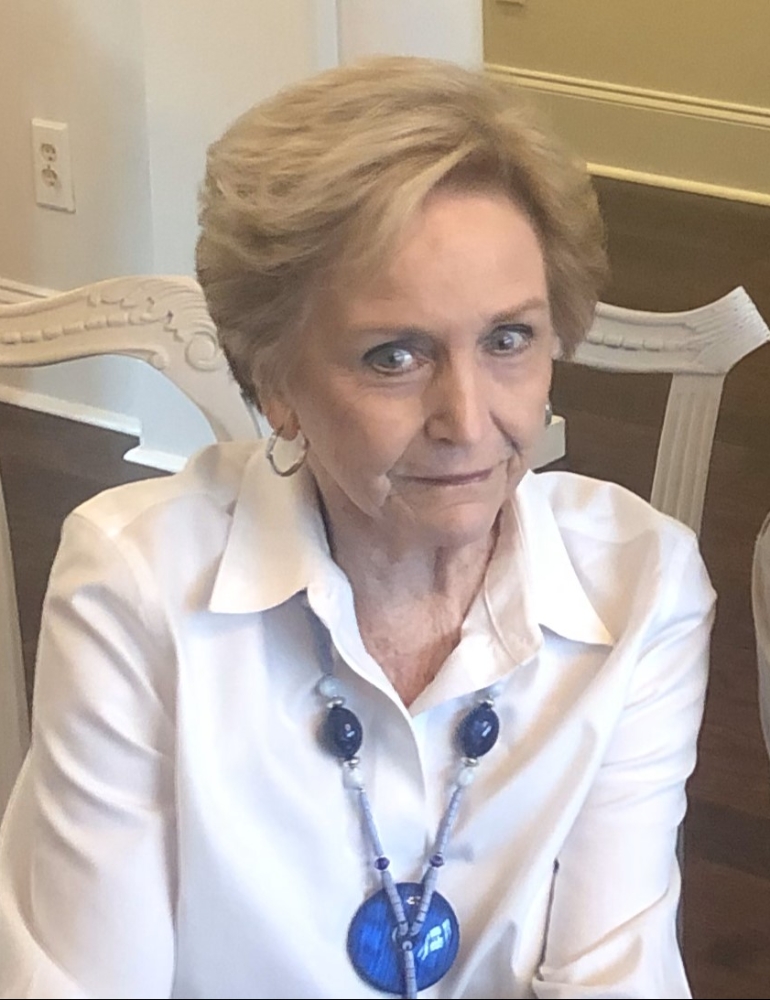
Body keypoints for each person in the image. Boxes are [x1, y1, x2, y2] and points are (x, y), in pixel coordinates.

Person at [0, 57, 714, 999]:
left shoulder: (643, 587)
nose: (468, 420)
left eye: (508, 340)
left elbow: (612, 980)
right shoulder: (135, 586)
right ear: (275, 384)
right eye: (393, 356)